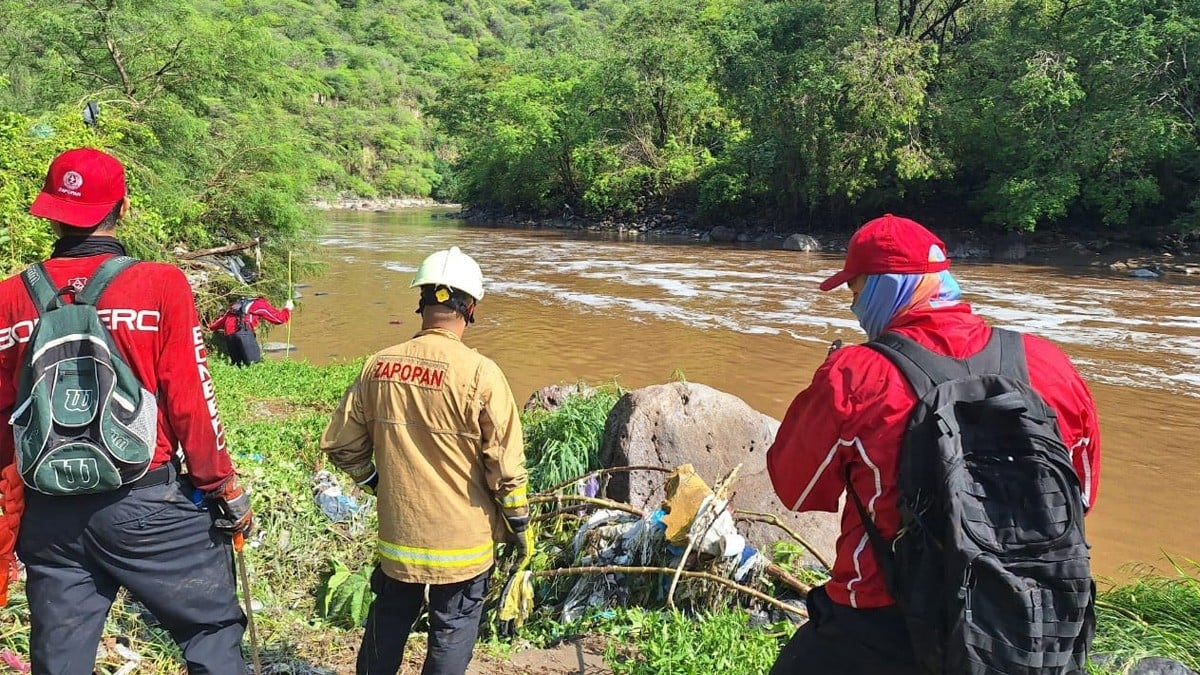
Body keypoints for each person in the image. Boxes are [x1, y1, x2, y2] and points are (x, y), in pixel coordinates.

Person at [766, 214, 1101, 674]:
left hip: (881, 617)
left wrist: (822, 389)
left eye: (856, 290)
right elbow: (1081, 497)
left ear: (887, 286)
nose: (854, 307)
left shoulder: (854, 374)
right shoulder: (1049, 363)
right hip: (1030, 616)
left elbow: (796, 489)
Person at [0, 147, 254, 673]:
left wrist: (12, 526)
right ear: (124, 207)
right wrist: (221, 484)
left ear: (50, 212)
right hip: (145, 502)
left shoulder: (8, 298)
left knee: (59, 660)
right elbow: (191, 399)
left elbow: (4, 423)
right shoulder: (160, 284)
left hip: (50, 515)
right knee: (210, 630)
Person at [320, 246, 529, 675]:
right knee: (452, 630)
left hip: (400, 535)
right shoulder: (482, 374)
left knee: (388, 619)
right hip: (464, 543)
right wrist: (519, 526)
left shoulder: (378, 366)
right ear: (470, 307)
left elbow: (341, 444)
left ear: (422, 302)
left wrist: (376, 482)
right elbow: (506, 470)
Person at [208, 295, 293, 366]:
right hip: (244, 334)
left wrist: (209, 327)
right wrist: (288, 309)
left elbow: (219, 322)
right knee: (254, 366)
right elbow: (279, 319)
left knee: (237, 367)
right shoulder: (259, 303)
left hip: (229, 336)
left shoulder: (236, 305)